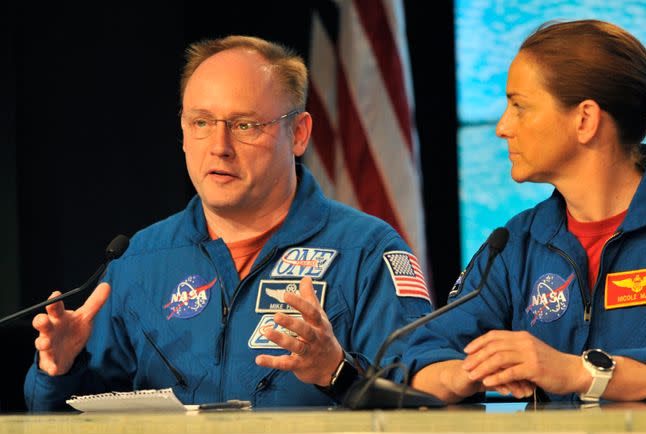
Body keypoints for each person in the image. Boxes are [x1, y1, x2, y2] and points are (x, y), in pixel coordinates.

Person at [25, 36, 457, 410]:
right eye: (201, 122)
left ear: (300, 134)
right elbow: (73, 425)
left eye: (245, 124)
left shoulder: (366, 252)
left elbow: (419, 397)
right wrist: (59, 369)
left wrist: (336, 370)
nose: (219, 146)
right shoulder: (140, 257)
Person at [410, 20, 646, 403]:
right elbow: (416, 358)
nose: (502, 127)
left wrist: (580, 371)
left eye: (519, 107)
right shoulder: (515, 243)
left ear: (585, 120)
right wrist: (462, 373)